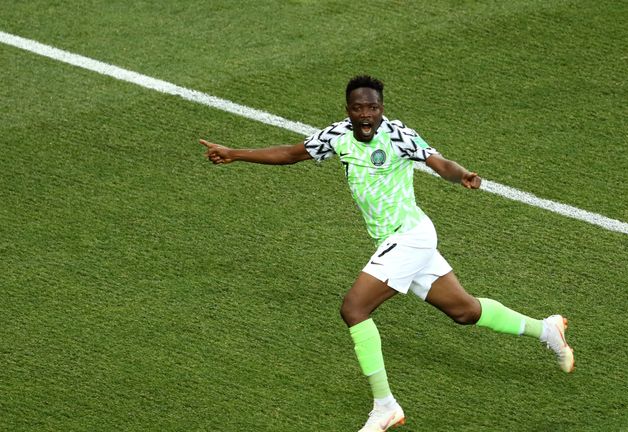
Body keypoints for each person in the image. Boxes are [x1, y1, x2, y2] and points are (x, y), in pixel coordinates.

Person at [200, 75, 574, 432]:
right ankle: (546, 329)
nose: (366, 115)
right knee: (464, 311)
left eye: (373, 108)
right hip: (396, 240)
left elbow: (437, 161)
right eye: (358, 108)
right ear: (348, 109)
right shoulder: (338, 136)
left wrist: (459, 174)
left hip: (410, 236)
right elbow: (291, 153)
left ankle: (385, 406)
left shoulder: (398, 136)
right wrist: (236, 153)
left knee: (354, 309)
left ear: (382, 108)